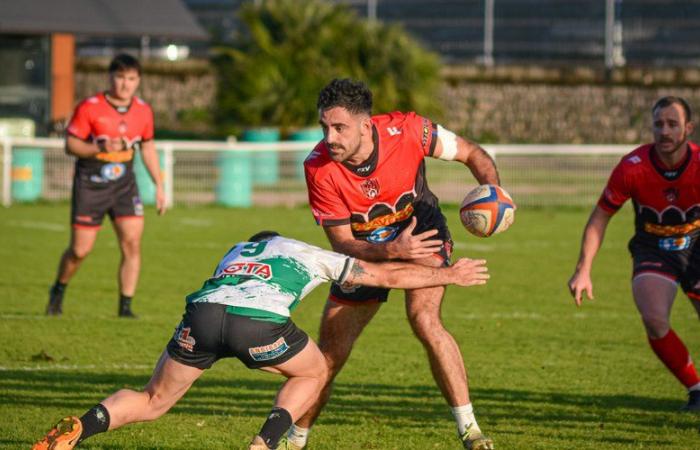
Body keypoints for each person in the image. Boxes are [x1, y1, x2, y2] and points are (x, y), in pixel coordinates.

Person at [33, 230, 490, 450]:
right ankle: (265, 443)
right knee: (314, 369)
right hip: (259, 323)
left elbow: (225, 297)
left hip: (203, 316)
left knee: (153, 400)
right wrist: (449, 274)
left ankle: (83, 424)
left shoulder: (234, 251)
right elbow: (383, 274)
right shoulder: (307, 252)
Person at [298, 78, 502, 450]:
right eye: (324, 127)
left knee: (425, 319)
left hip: (423, 236)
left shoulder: (408, 130)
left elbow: (473, 154)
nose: (330, 137)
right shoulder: (318, 167)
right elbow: (343, 243)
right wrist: (394, 249)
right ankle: (294, 440)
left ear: (365, 124)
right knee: (330, 354)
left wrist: (495, 192)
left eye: (339, 127)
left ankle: (471, 431)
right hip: (367, 253)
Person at [568, 96, 700, 412]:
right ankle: (696, 390)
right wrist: (583, 268)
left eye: (672, 124)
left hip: (697, 244)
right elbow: (601, 215)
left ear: (689, 129)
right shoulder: (633, 167)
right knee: (654, 318)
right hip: (653, 246)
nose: (664, 131)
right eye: (658, 124)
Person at [46, 53, 165, 318]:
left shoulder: (143, 111)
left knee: (132, 244)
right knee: (79, 251)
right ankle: (59, 288)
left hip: (124, 187)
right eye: (120, 77)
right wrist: (97, 147)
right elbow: (71, 145)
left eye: (131, 79)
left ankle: (125, 307)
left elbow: (147, 147)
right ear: (110, 77)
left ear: (138, 81)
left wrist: (159, 186)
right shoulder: (89, 107)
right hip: (91, 185)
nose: (125, 84)